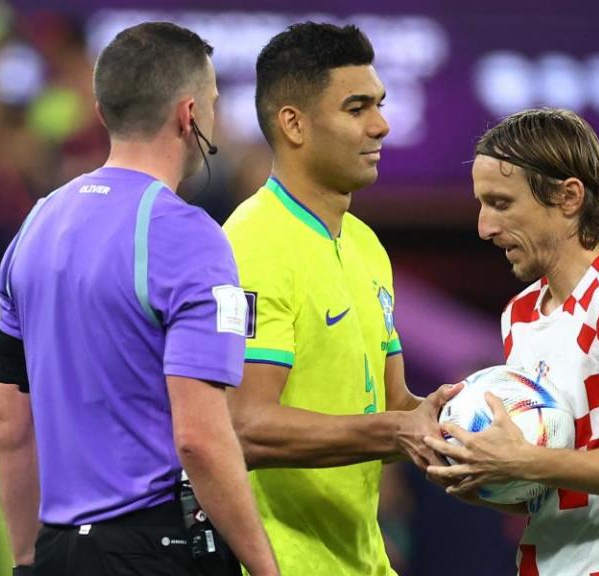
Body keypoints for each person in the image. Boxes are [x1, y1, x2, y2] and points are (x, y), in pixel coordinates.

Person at [0, 22, 278, 576]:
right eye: (213, 102)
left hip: (58, 548)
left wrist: (28, 559)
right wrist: (265, 568)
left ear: (101, 111)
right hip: (154, 551)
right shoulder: (189, 236)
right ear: (190, 115)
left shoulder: (37, 221)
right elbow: (199, 439)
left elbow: (6, 418)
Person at [222, 22, 458, 575]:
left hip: (364, 560)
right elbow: (248, 426)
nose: (381, 125)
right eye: (357, 109)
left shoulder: (364, 244)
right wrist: (396, 430)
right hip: (279, 563)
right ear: (294, 124)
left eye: (379, 104)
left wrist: (459, 423)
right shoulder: (251, 245)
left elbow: (395, 405)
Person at [424, 108, 599, 575]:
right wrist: (488, 476)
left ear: (568, 197)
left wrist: (525, 461)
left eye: (502, 203)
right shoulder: (521, 316)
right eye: (481, 205)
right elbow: (556, 490)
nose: (484, 227)